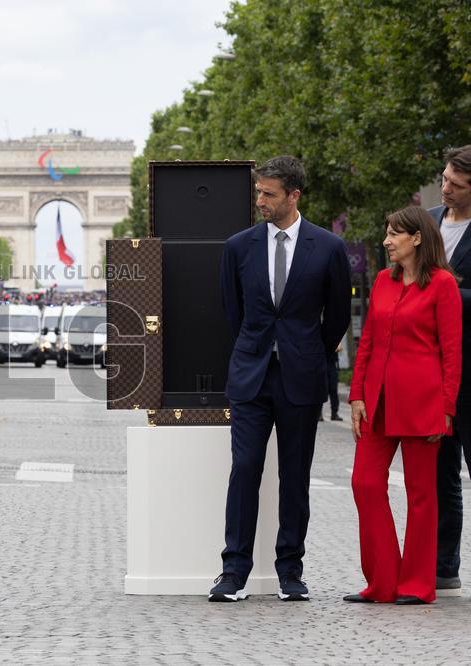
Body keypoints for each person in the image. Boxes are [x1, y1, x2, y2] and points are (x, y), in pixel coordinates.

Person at [211, 155, 351, 602]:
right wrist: (258, 348)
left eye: (269, 193)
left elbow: (338, 319)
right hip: (251, 376)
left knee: (295, 476)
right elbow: (233, 312)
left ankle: (291, 571)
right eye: (258, 192)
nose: (260, 201)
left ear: (294, 195)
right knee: (245, 469)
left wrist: (305, 347)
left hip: (301, 377)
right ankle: (233, 572)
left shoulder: (328, 248)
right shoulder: (237, 246)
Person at [345, 207, 462, 604]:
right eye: (386, 233)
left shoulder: (444, 285)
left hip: (422, 403)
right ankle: (382, 580)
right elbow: (368, 344)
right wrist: (357, 395)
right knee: (364, 482)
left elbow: (452, 353)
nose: (386, 241)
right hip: (376, 402)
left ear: (416, 238)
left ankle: (416, 584)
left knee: (421, 494)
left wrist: (446, 409)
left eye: (394, 234)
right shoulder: (381, 281)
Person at [430, 145, 471, 597]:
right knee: (441, 477)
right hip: (431, 373)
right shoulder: (431, 222)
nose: (445, 189)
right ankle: (444, 568)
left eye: (456, 186)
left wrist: (448, 293)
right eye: (444, 179)